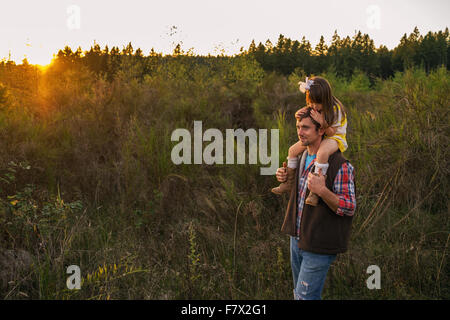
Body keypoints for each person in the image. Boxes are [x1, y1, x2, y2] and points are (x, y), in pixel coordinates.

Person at [275, 107, 356, 300]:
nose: (299, 132)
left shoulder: (340, 165)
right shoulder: (301, 157)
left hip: (319, 244)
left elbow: (349, 207)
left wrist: (322, 191)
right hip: (297, 239)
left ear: (321, 130)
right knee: (299, 296)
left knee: (304, 298)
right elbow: (299, 193)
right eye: (298, 127)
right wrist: (284, 176)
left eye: (305, 128)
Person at [272, 76, 348, 207]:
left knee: (322, 153)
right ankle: (288, 182)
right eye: (310, 102)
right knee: (292, 150)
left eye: (316, 103)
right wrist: (299, 113)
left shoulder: (336, 109)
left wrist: (322, 122)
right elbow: (303, 116)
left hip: (335, 137)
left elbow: (331, 132)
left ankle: (315, 191)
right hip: (321, 135)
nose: (313, 106)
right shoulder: (315, 106)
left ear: (325, 99)